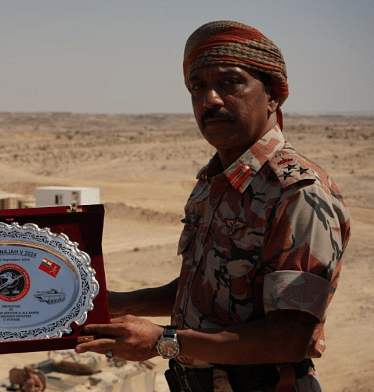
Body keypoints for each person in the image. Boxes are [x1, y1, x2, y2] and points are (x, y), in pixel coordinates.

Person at [75, 20, 351, 392]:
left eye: (231, 82)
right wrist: (117, 304)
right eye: (198, 87)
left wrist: (162, 341)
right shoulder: (214, 183)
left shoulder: (298, 193)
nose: (210, 100)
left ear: (272, 95)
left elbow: (289, 337)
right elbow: (205, 288)